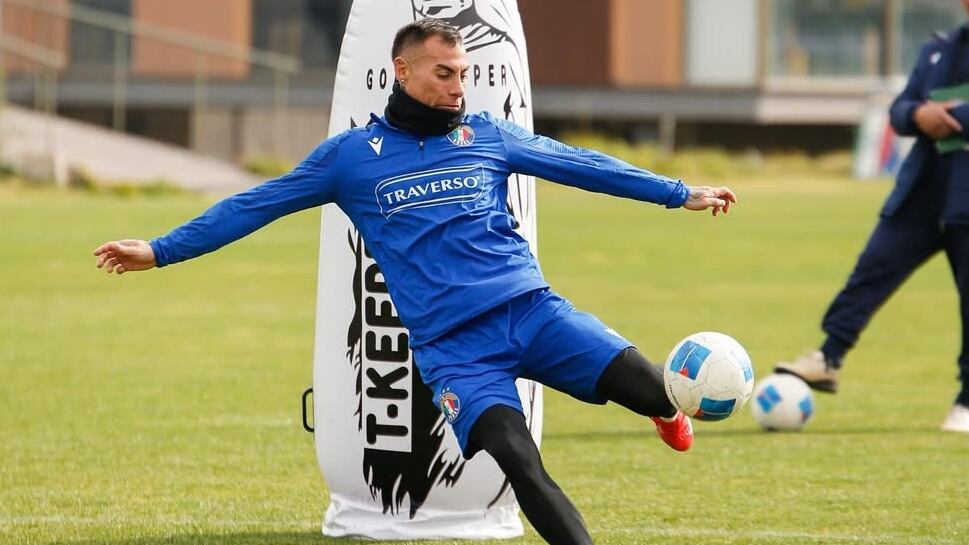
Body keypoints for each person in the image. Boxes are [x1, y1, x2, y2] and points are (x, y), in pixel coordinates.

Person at [94, 19, 735, 545]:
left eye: (464, 74)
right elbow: (252, 205)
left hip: (535, 315)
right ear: (403, 71)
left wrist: (681, 193)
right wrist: (160, 249)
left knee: (662, 393)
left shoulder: (487, 134)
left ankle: (660, 410)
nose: (460, 86)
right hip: (457, 355)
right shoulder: (349, 158)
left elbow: (581, 165)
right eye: (444, 73)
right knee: (522, 466)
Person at [775, 2, 969, 433]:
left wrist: (949, 115)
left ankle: (967, 399)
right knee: (869, 273)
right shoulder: (939, 48)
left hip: (966, 203)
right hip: (919, 196)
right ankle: (828, 357)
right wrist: (919, 115)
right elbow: (900, 110)